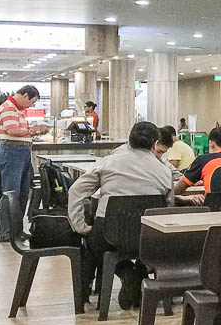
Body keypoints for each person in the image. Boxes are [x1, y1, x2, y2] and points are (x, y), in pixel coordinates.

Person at [67, 122, 174, 309]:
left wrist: (80, 226)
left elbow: (76, 191)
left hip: (109, 234)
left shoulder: (108, 162)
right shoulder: (164, 171)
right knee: (145, 245)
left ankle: (125, 273)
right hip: (148, 237)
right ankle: (140, 271)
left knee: (94, 245)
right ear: (154, 144)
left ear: (128, 140)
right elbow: (168, 206)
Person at [0, 84, 48, 240]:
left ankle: (16, 229)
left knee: (23, 193)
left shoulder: (18, 110)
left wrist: (31, 130)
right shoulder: (8, 107)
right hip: (12, 152)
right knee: (11, 193)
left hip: (21, 152)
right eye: (32, 102)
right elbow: (11, 130)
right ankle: (6, 231)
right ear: (25, 95)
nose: (31, 105)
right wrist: (34, 129)